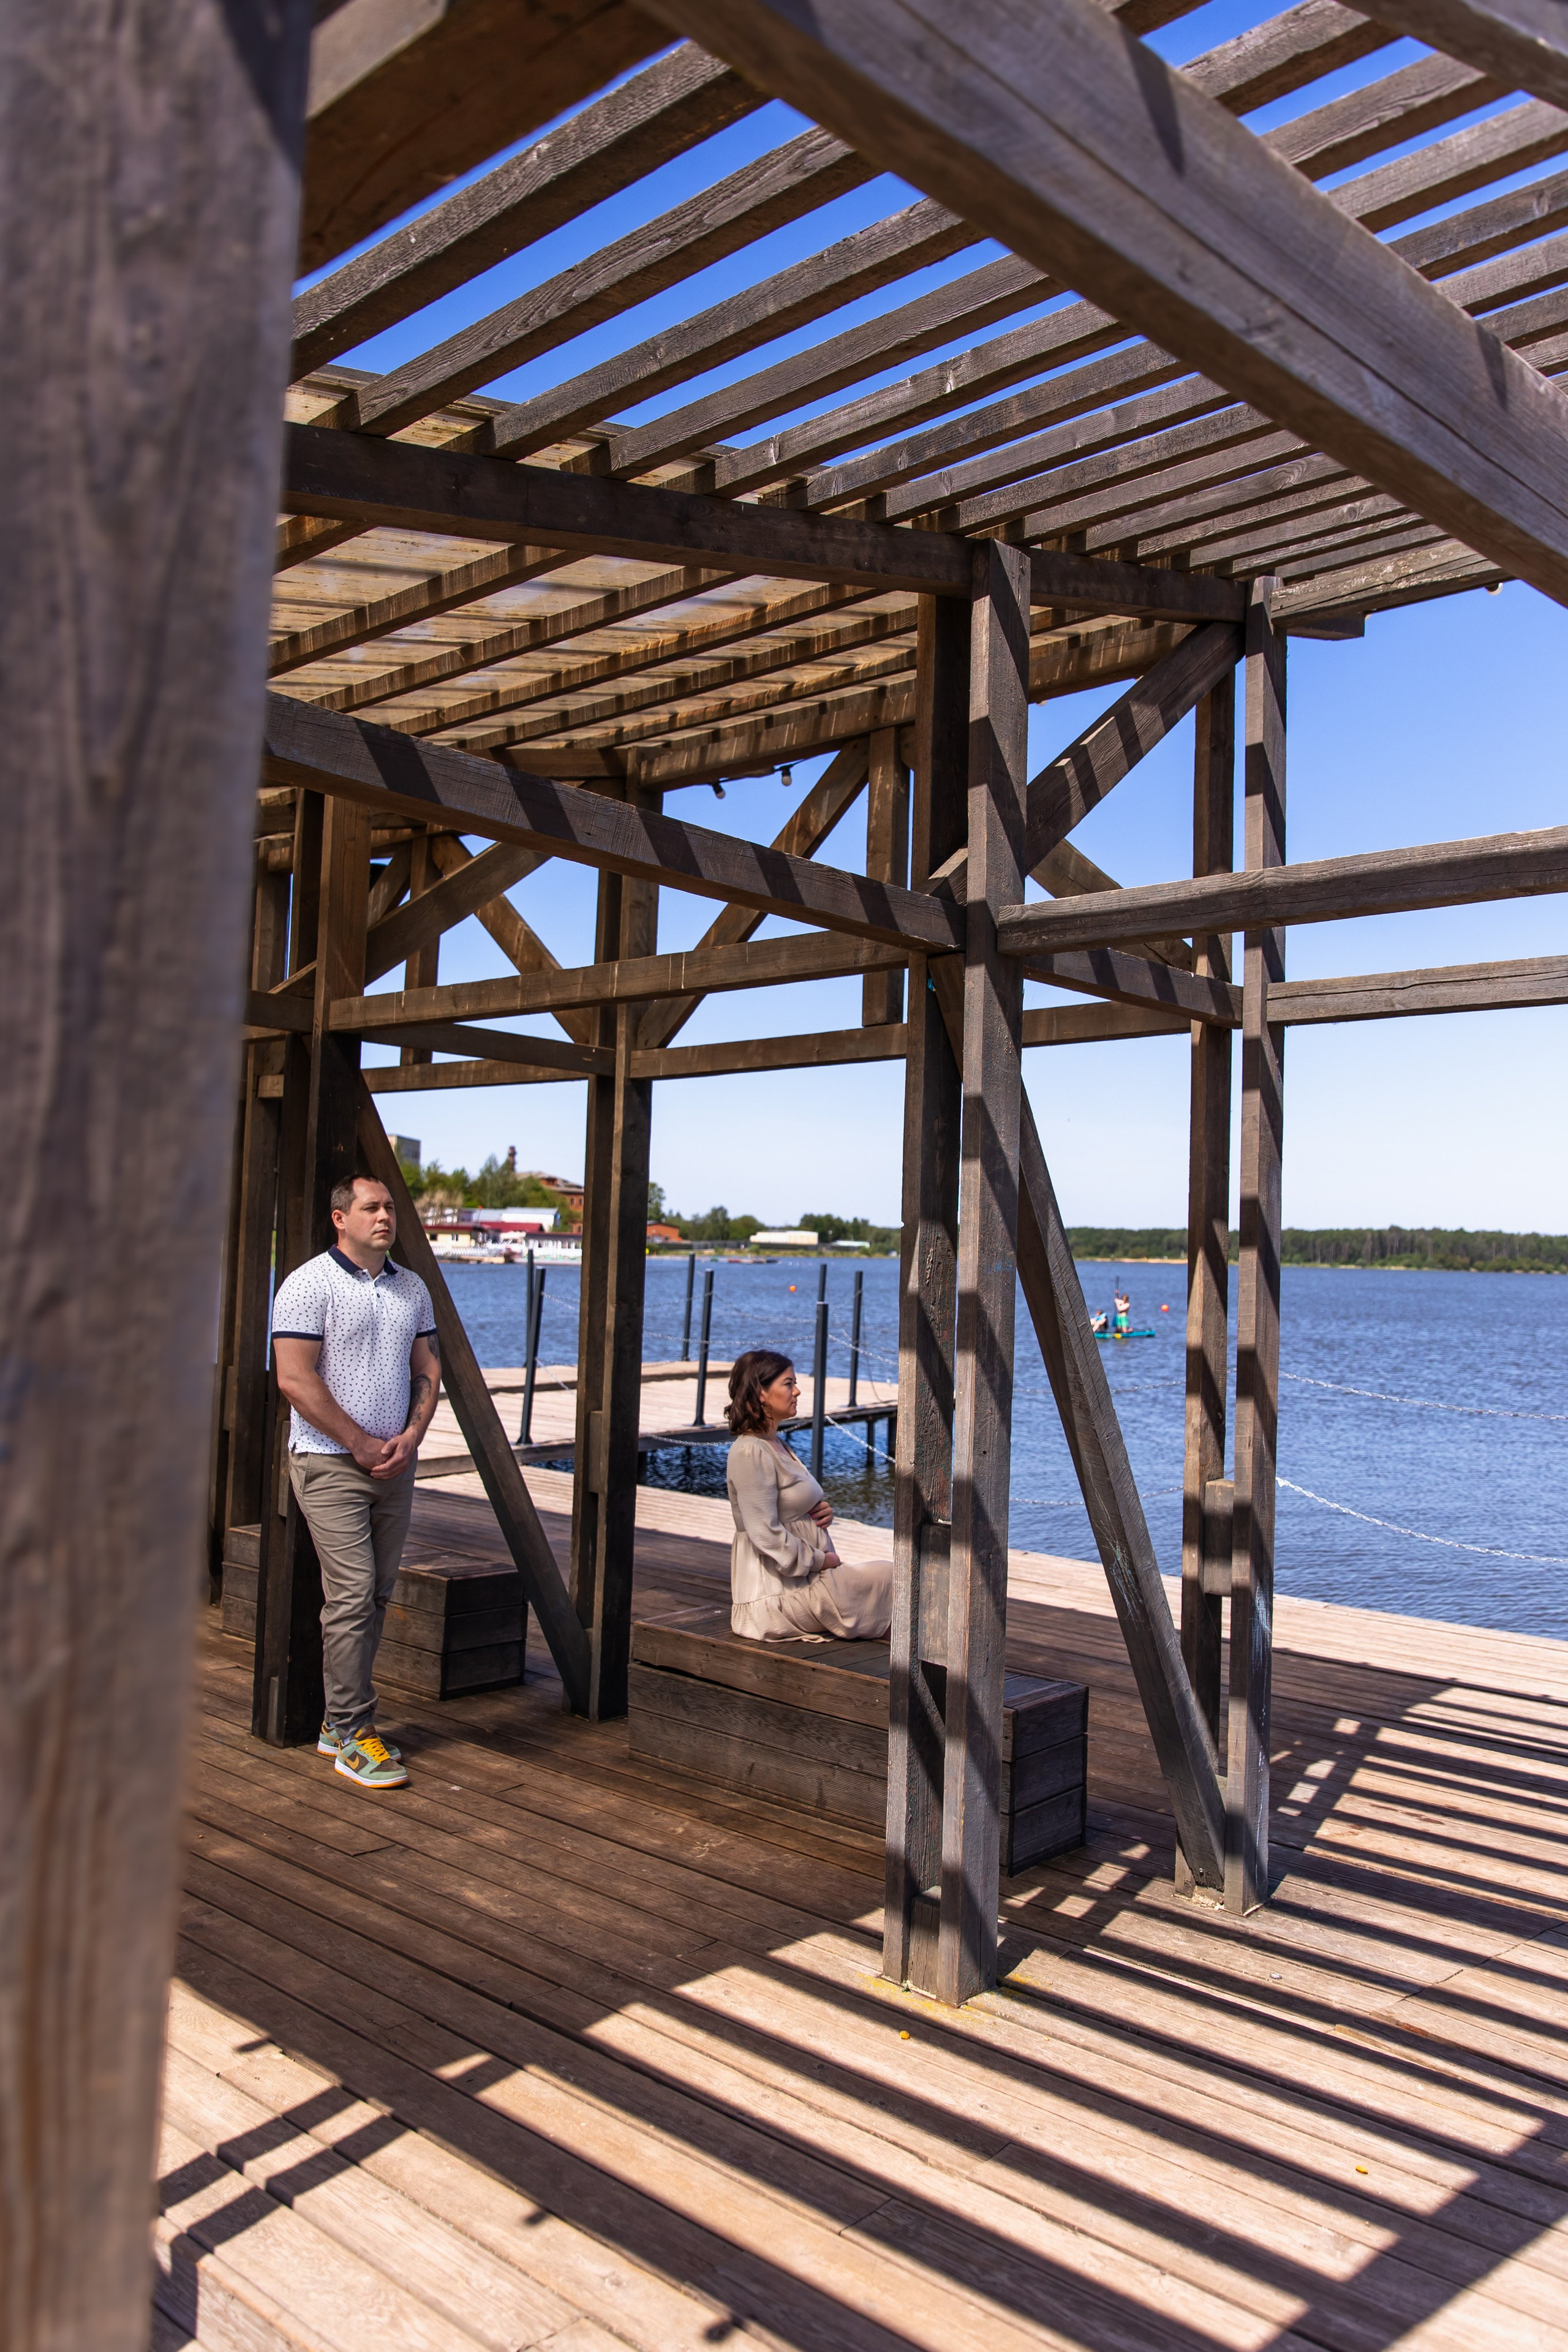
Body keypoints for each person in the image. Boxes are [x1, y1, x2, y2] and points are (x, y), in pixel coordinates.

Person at [270, 1175, 442, 1790]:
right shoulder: (307, 1284)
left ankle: (334, 1726)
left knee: (375, 1597)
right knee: (352, 1594)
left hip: (395, 1465)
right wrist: (360, 1442)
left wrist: (411, 1437)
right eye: (371, 1207)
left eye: (390, 1207)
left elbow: (427, 1366)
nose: (385, 1216)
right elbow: (294, 1378)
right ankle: (350, 1733)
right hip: (328, 1463)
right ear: (339, 1217)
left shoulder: (411, 1287)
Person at [724, 1349, 892, 1642]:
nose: (797, 1391)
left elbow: (788, 1505)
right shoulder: (750, 1451)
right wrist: (819, 1560)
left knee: (899, 1586)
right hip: (776, 1595)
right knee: (897, 1582)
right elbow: (764, 1533)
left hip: (806, 1581)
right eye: (788, 1383)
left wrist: (819, 1511)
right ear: (761, 1393)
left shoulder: (774, 1444)